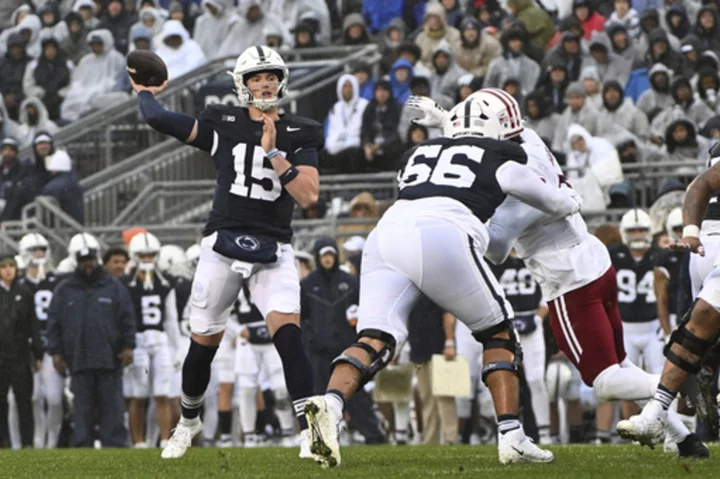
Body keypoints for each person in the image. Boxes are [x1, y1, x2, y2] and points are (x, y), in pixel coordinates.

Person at [408, 88, 706, 457]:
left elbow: (498, 250)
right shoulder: (528, 138)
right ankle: (684, 440)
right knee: (621, 364)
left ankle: (677, 381)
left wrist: (460, 218)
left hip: (567, 278)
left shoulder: (517, 180)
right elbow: (482, 138)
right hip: (594, 260)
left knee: (604, 381)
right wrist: (444, 120)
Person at [303, 96, 585, 468]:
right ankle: (512, 435)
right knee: (499, 335)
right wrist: (570, 194)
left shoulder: (418, 153)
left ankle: (332, 406)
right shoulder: (505, 157)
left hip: (386, 234)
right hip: (443, 235)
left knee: (374, 338)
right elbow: (558, 204)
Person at [133, 45, 322, 460]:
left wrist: (274, 153)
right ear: (243, 85)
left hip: (275, 245)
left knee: (288, 335)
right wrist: (145, 90)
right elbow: (158, 118)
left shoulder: (299, 131)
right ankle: (188, 421)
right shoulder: (224, 121)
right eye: (257, 77)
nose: (265, 83)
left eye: (271, 75)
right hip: (222, 242)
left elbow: (308, 195)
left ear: (282, 81)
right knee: (204, 342)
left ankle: (311, 431)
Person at [616, 143, 720, 449]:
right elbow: (701, 183)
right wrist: (690, 231)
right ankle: (660, 415)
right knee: (699, 332)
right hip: (709, 240)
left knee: (697, 335)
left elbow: (700, 182)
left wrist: (691, 231)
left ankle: (663, 417)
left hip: (703, 245)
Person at [46, 244, 136, 448]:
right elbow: (54, 322)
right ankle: (82, 444)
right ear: (77, 263)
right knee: (82, 407)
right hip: (78, 357)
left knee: (112, 406)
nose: (88, 265)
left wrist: (128, 346)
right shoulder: (64, 289)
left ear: (97, 262)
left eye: (91, 261)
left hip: (109, 357)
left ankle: (114, 445)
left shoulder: (113, 287)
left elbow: (127, 318)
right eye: (84, 261)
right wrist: (56, 352)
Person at [300, 237, 385, 445]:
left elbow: (361, 312)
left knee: (356, 395)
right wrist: (310, 342)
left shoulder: (350, 282)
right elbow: (303, 318)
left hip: (346, 351)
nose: (328, 260)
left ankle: (374, 437)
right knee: (319, 396)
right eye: (324, 256)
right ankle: (320, 439)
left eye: (330, 255)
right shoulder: (307, 285)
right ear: (317, 258)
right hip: (319, 352)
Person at [122, 232, 181, 449]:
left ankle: (165, 440)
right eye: (142, 255)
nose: (147, 259)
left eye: (150, 255)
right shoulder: (125, 284)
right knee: (138, 394)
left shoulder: (165, 283)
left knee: (162, 393)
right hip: (137, 341)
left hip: (160, 340)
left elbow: (171, 319)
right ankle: (139, 441)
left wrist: (177, 348)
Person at [490, 251, 551, 444]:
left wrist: (537, 318)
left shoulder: (536, 258)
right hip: (505, 324)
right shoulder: (495, 261)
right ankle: (505, 431)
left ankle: (544, 432)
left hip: (532, 324)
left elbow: (548, 294)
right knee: (502, 378)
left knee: (536, 379)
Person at [17, 233, 64, 450]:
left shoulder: (56, 281)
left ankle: (52, 442)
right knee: (34, 397)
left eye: (42, 250)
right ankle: (37, 441)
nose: (39, 255)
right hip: (26, 347)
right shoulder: (18, 283)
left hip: (51, 344)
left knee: (54, 398)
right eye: (35, 250)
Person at [0, 253, 43, 449]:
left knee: (24, 400)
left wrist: (38, 352)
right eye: (3, 266)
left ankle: (27, 442)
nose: (8, 270)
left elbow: (33, 324)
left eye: (11, 265)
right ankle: (4, 442)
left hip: (20, 354)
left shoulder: (24, 292)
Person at [408, 296, 458, 445]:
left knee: (444, 395)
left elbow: (448, 314)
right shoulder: (410, 291)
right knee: (426, 398)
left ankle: (450, 438)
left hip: (438, 347)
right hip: (418, 348)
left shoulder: (435, 287)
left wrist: (449, 342)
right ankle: (431, 439)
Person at [60, 29, 127, 122]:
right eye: (93, 45)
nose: (96, 47)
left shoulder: (116, 58)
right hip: (85, 93)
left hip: (106, 93)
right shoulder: (86, 60)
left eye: (99, 44)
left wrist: (106, 87)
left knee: (122, 98)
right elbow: (77, 81)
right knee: (69, 101)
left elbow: (119, 79)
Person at [38, 149, 84, 224]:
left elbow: (46, 214)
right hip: (75, 226)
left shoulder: (52, 187)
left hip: (58, 229)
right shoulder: (74, 183)